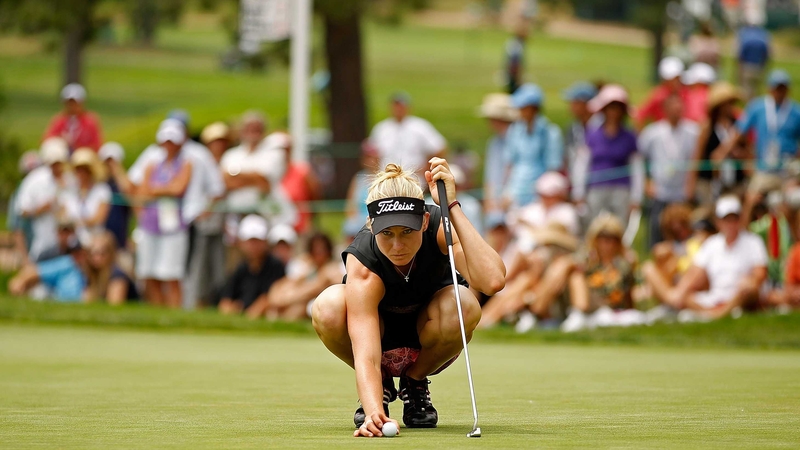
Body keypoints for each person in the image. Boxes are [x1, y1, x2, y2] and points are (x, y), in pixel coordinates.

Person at [311, 159, 505, 436]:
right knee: (328, 306)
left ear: (424, 220)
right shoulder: (364, 258)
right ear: (371, 224)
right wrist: (373, 410)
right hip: (379, 337)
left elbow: (493, 281)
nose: (398, 245)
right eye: (387, 233)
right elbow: (365, 351)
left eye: (407, 232)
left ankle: (414, 383)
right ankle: (384, 386)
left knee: (464, 304)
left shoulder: (439, 227)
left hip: (430, 335)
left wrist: (451, 207)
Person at [645, 196, 768, 321]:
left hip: (739, 295)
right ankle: (717, 312)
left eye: (734, 219)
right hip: (715, 297)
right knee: (684, 295)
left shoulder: (753, 242)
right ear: (718, 222)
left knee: (748, 287)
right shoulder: (712, 244)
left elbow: (760, 274)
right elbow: (696, 272)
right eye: (727, 219)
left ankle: (718, 314)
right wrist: (679, 293)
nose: (730, 224)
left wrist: (749, 281)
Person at [135, 122, 193, 308]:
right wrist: (165, 189)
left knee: (172, 274)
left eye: (172, 141)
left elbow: (178, 188)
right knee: (149, 273)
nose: (169, 145)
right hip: (150, 224)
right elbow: (143, 193)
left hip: (174, 227)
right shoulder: (152, 165)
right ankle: (158, 312)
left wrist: (156, 190)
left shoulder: (185, 164)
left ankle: (174, 312)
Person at [724, 70, 800, 197]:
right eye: (777, 88)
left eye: (782, 88)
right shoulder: (757, 107)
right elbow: (739, 132)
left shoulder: (795, 112)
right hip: (764, 168)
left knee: (793, 201)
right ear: (769, 89)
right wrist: (724, 151)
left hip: (787, 169)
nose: (779, 92)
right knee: (752, 197)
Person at [638, 94, 700, 246]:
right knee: (657, 227)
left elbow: (696, 159)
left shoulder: (693, 132)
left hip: (682, 190)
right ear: (664, 110)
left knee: (684, 228)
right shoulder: (652, 133)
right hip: (660, 190)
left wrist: (691, 185)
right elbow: (639, 159)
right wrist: (646, 183)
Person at [183, 122, 231, 309]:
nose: (218, 145)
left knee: (218, 269)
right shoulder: (199, 159)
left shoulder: (227, 160)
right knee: (198, 267)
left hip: (219, 225)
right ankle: (195, 304)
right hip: (198, 224)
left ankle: (216, 303)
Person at [580, 84, 643, 225]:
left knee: (618, 226)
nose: (613, 112)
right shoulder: (593, 134)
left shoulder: (629, 136)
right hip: (596, 187)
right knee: (595, 225)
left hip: (621, 189)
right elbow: (583, 164)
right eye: (610, 107)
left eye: (617, 108)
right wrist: (579, 192)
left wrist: (636, 197)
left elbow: (636, 167)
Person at [250, 232, 344, 321]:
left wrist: (286, 299)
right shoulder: (305, 267)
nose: (318, 254)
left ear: (328, 252)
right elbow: (277, 292)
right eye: (314, 251)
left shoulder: (332, 270)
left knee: (299, 307)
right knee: (268, 304)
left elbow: (315, 289)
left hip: (315, 308)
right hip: (290, 301)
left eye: (321, 250)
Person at [686, 82, 751, 207]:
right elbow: (699, 156)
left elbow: (749, 153)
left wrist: (740, 155)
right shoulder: (708, 127)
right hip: (710, 183)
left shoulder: (739, 125)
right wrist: (691, 184)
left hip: (734, 181)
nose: (730, 106)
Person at [503, 83, 564, 208]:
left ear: (533, 108)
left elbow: (552, 168)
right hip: (515, 193)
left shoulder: (550, 132)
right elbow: (510, 164)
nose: (520, 110)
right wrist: (506, 191)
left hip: (540, 196)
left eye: (523, 107)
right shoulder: (515, 131)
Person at [15, 138, 76, 262]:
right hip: (43, 244)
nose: (57, 167)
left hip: (70, 246)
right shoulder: (35, 180)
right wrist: (40, 209)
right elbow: (22, 211)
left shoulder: (71, 179)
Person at [369, 92, 447, 183]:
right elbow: (371, 154)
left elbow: (439, 147)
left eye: (401, 106)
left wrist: (426, 170)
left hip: (414, 180)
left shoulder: (420, 126)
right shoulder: (382, 128)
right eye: (395, 106)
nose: (398, 109)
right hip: (387, 180)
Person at [221, 111, 288, 216]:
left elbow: (264, 181)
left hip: (267, 213)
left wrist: (236, 176)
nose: (253, 132)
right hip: (234, 213)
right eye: (249, 128)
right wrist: (254, 178)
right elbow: (224, 182)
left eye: (256, 129)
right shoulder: (231, 155)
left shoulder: (275, 154)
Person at [218, 214, 285, 316]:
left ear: (265, 241)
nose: (254, 246)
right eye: (250, 241)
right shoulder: (240, 268)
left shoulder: (275, 266)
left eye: (257, 241)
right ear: (241, 243)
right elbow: (226, 301)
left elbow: (274, 296)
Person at [477, 93, 518, 216]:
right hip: (496, 200)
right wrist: (488, 198)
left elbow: (515, 169)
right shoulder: (494, 142)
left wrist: (509, 194)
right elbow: (490, 174)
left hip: (513, 199)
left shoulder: (518, 139)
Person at [62, 149, 112, 247]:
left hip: (95, 241)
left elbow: (99, 218)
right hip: (72, 243)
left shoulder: (101, 190)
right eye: (78, 170)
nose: (81, 173)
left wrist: (76, 222)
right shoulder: (69, 191)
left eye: (84, 170)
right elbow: (63, 216)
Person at [8, 240, 87, 302]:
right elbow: (34, 271)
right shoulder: (67, 263)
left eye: (80, 253)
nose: (78, 257)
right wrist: (19, 282)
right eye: (74, 253)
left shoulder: (92, 266)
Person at [277, 131, 321, 234]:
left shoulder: (303, 171)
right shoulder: (266, 174)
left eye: (286, 148)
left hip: (300, 229)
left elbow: (315, 198)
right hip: (276, 229)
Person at [562, 81, 599, 201]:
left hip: (597, 183)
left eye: (575, 102)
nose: (571, 106)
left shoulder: (601, 128)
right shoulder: (572, 128)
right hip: (576, 184)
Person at [42, 83, 103, 152]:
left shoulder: (90, 120)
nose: (72, 106)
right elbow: (48, 139)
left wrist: (76, 144)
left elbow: (97, 144)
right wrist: (62, 139)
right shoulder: (60, 119)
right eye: (69, 103)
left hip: (82, 154)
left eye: (75, 103)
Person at [6, 151, 42, 267]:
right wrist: (26, 260)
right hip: (31, 252)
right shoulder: (18, 195)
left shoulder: (48, 190)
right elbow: (17, 230)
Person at [84, 231, 138, 305]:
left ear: (110, 254)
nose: (96, 258)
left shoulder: (118, 276)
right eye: (93, 253)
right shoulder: (93, 275)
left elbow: (114, 305)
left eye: (102, 253)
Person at [98, 142, 132, 250]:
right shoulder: (99, 184)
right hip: (101, 241)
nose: (109, 165)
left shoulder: (124, 182)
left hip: (120, 240)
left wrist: (116, 169)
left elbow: (129, 193)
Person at [344, 141, 381, 235]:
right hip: (360, 220)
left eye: (371, 156)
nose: (369, 160)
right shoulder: (358, 179)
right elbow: (350, 204)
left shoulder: (384, 177)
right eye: (366, 157)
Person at [736, 22, 771, 100]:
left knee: (747, 90)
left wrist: (739, 69)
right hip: (759, 67)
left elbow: (741, 55)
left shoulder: (746, 38)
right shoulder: (762, 39)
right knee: (756, 90)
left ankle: (750, 106)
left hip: (747, 67)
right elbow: (766, 55)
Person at [504, 22, 529, 94]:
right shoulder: (517, 45)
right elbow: (514, 63)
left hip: (512, 73)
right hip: (513, 74)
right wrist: (517, 78)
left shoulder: (514, 43)